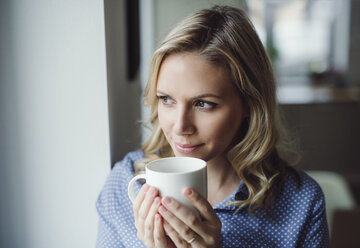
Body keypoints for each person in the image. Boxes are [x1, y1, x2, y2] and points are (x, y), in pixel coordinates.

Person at [96, 5, 329, 248]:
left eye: (204, 104)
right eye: (166, 99)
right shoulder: (124, 185)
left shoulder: (301, 204)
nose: (180, 126)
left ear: (250, 104)